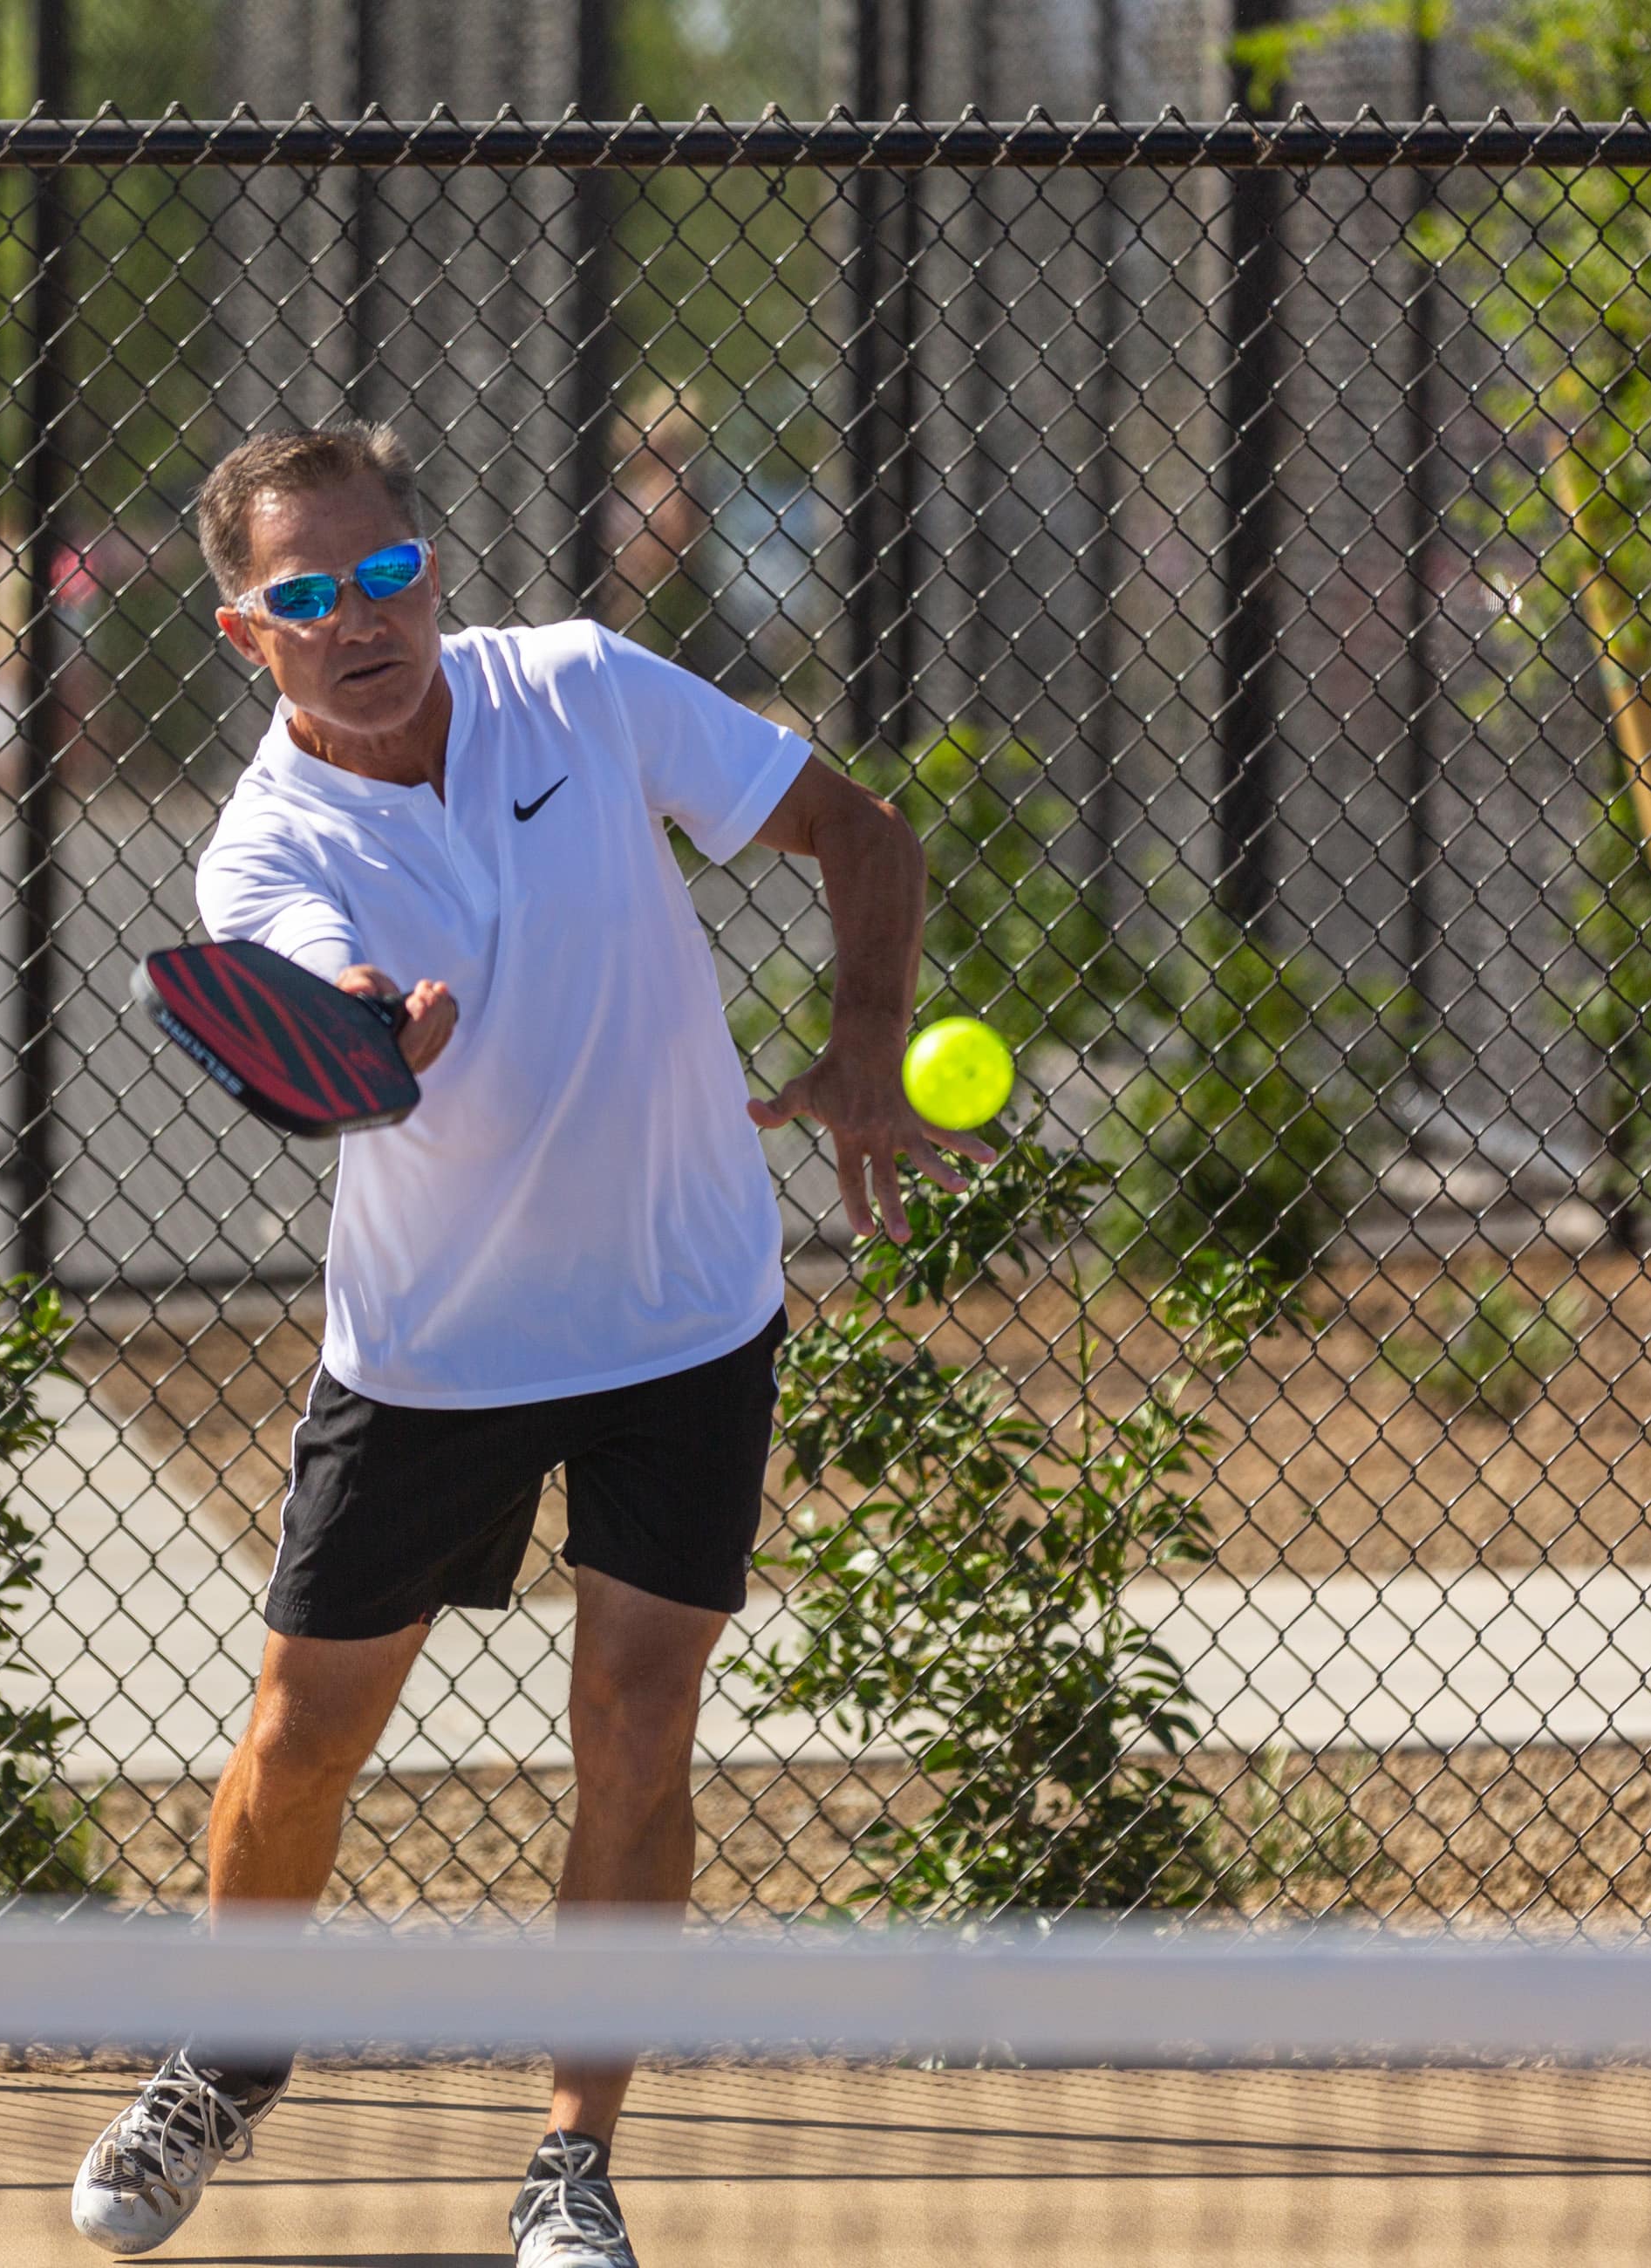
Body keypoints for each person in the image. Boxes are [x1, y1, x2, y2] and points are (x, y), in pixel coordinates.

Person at [68, 427, 983, 2268]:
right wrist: (359, 1038)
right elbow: (309, 1010)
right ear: (249, 634)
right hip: (434, 1346)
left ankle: (574, 2159)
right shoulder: (267, 844)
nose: (359, 619)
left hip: (681, 1308)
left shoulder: (578, 682)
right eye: (307, 596)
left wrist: (871, 1035)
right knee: (306, 1729)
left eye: (383, 575)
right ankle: (229, 2057)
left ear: (429, 570)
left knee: (640, 1724)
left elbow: (858, 827)